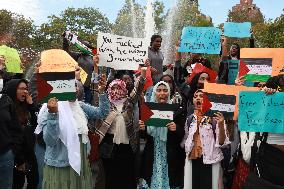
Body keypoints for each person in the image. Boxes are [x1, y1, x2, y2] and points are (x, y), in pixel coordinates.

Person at [37, 73, 110, 189]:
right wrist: (53, 114)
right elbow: (50, 140)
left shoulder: (80, 106)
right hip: (61, 166)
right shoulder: (50, 108)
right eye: (70, 85)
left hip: (81, 163)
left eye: (76, 85)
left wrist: (102, 92)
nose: (75, 88)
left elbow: (102, 113)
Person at [95, 67, 146, 189]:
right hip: (109, 146)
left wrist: (144, 71)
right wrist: (109, 72)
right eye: (113, 88)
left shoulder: (129, 102)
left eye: (118, 88)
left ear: (124, 89)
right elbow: (98, 87)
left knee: (126, 176)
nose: (116, 90)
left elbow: (138, 89)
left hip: (127, 146)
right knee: (110, 177)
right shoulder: (105, 103)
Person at [139, 81, 184, 189]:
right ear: (154, 93)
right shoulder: (148, 110)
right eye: (159, 90)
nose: (162, 93)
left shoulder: (176, 110)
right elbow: (144, 137)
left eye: (165, 90)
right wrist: (142, 129)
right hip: (152, 153)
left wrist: (176, 128)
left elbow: (182, 133)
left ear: (169, 93)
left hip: (170, 154)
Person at [182, 90, 230, 189]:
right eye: (196, 96)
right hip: (193, 160)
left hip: (211, 161)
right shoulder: (190, 119)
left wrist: (221, 124)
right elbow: (186, 138)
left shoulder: (215, 119)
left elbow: (222, 143)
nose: (198, 98)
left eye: (201, 96)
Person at [2, 79, 39, 189]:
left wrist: (31, 105)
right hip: (14, 152)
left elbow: (36, 123)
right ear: (13, 90)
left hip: (29, 151)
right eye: (22, 89)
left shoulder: (26, 106)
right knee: (17, 182)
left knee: (34, 180)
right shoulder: (6, 108)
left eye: (26, 89)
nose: (26, 92)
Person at [0, 81, 24, 189]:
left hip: (5, 156)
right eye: (21, 88)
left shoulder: (5, 100)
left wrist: (13, 151)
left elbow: (15, 128)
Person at [62, 32, 94, 104]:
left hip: (87, 88)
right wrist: (65, 40)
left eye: (86, 46)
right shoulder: (78, 56)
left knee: (87, 107)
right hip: (76, 86)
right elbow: (65, 52)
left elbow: (96, 74)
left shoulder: (93, 58)